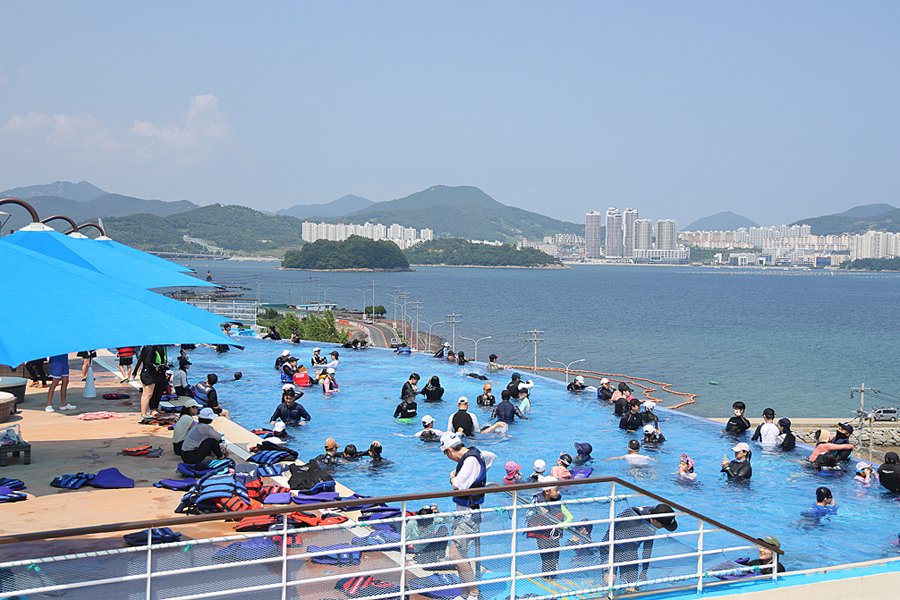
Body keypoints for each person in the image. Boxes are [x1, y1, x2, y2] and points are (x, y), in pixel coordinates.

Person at [441, 431, 497, 600]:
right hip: (464, 513)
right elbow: (492, 456)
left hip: (469, 515)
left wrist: (452, 477)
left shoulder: (470, 460)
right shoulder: (477, 453)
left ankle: (473, 592)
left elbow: (459, 486)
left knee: (456, 554)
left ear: (449, 451)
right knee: (459, 554)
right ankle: (465, 593)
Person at [598, 504, 678, 591]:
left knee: (631, 585)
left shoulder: (655, 515)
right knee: (610, 581)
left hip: (629, 548)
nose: (663, 528)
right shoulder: (634, 520)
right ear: (655, 520)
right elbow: (629, 550)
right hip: (610, 547)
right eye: (663, 525)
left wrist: (644, 571)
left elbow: (647, 547)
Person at [526, 477, 574, 577]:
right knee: (546, 559)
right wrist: (537, 510)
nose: (558, 492)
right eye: (556, 490)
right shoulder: (537, 502)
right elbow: (528, 515)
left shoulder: (558, 503)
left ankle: (553, 577)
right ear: (547, 492)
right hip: (542, 536)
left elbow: (570, 517)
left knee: (554, 559)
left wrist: (563, 525)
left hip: (554, 536)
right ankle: (546, 577)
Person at [133, 345, 167, 418]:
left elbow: (141, 359)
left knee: (145, 395)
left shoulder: (145, 348)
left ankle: (144, 413)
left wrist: (135, 371)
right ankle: (144, 414)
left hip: (145, 372)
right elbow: (148, 362)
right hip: (149, 374)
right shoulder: (151, 349)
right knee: (148, 395)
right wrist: (157, 367)